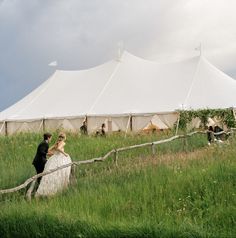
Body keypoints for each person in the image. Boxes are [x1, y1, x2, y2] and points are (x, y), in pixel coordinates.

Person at [35, 132, 72, 197]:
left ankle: (45, 190)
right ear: (64, 138)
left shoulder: (57, 143)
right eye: (61, 137)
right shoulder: (63, 143)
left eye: (61, 137)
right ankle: (56, 190)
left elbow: (48, 150)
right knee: (59, 174)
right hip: (60, 158)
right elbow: (58, 149)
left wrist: (54, 147)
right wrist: (65, 153)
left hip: (54, 158)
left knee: (51, 174)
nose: (61, 138)